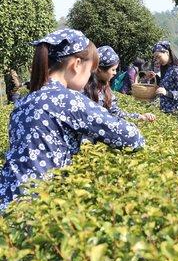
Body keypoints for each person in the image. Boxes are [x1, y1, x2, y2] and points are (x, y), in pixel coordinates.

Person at [0, 29, 145, 211]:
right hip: (35, 208)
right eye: (90, 70)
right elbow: (133, 138)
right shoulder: (68, 100)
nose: (89, 77)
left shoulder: (24, 101)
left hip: (6, 199)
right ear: (76, 64)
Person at [85, 46, 155, 122]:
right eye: (113, 69)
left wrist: (141, 117)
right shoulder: (84, 88)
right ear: (99, 69)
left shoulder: (104, 88)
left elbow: (116, 114)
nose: (115, 73)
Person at [146, 40, 178, 113]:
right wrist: (155, 77)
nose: (157, 60)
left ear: (167, 53)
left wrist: (167, 93)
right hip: (164, 110)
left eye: (159, 57)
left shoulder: (177, 69)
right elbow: (166, 85)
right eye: (156, 58)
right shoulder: (165, 68)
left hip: (174, 112)